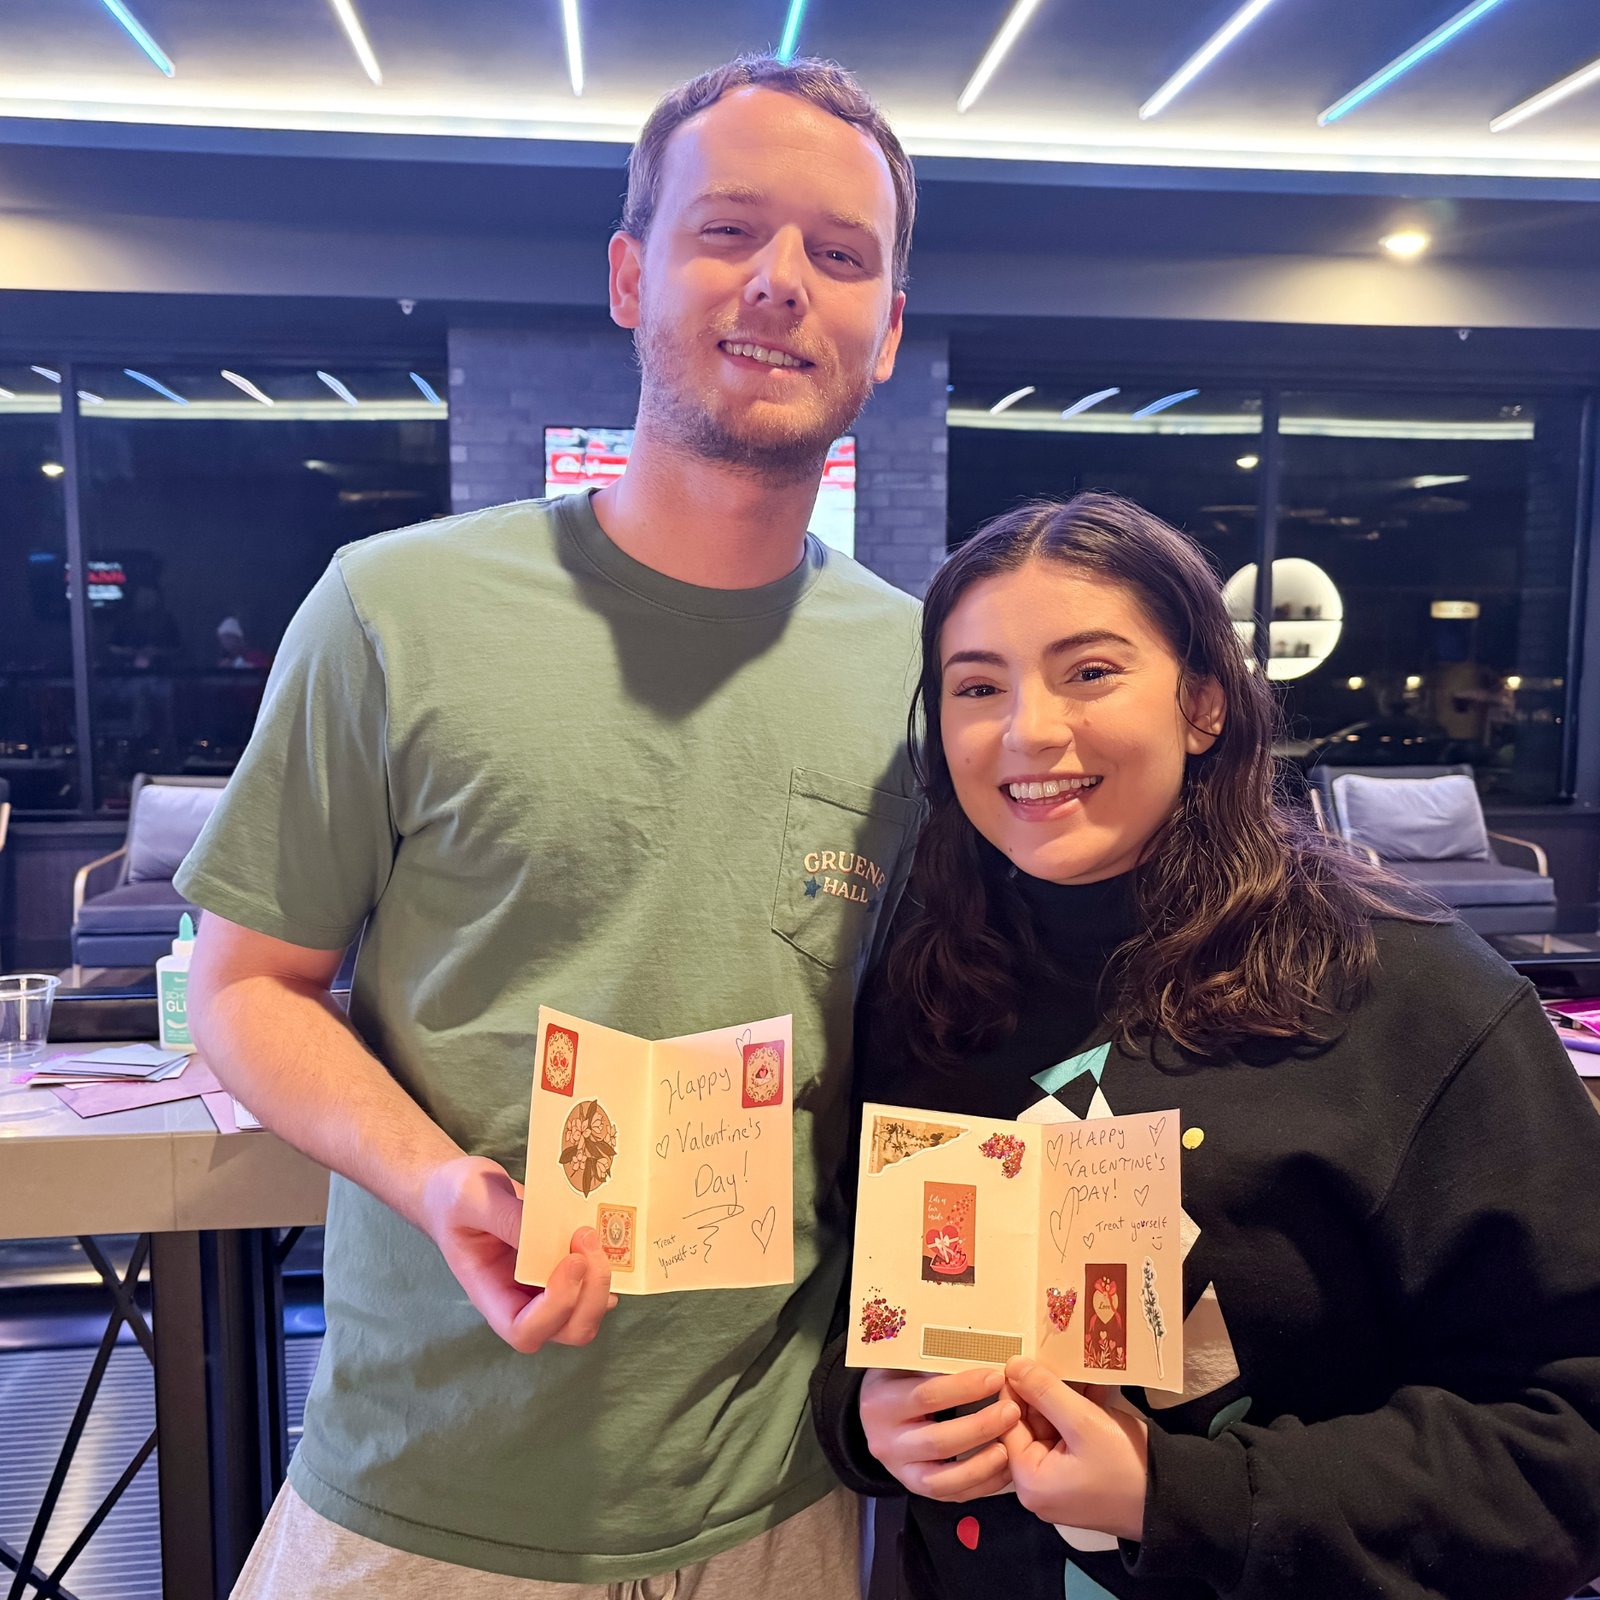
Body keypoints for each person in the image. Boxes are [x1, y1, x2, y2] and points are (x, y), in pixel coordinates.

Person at [179, 53, 923, 1596]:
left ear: (890, 329)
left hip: (785, 1502)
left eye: (840, 255)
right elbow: (244, 989)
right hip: (425, 1488)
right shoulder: (395, 609)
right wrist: (440, 1183)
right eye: (727, 233)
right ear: (628, 273)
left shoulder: (931, 677)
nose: (781, 283)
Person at [811, 491, 1600, 1600]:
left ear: (1203, 704)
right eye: (977, 685)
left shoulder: (1408, 998)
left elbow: (1569, 1442)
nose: (1029, 729)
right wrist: (868, 1415)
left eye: (1089, 672)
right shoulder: (926, 989)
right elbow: (862, 1303)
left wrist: (1172, 1492)